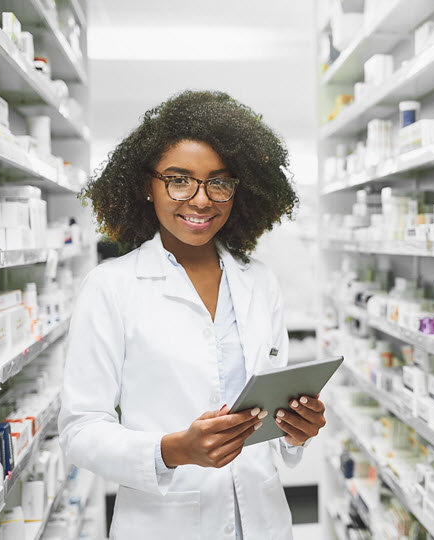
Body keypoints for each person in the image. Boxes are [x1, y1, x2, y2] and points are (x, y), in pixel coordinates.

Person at [58, 90, 327, 540]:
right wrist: (172, 450)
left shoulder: (258, 280)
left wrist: (296, 429)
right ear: (147, 185)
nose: (201, 200)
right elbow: (80, 430)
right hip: (166, 521)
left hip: (261, 518)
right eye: (179, 180)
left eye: (218, 182)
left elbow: (271, 407)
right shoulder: (111, 287)